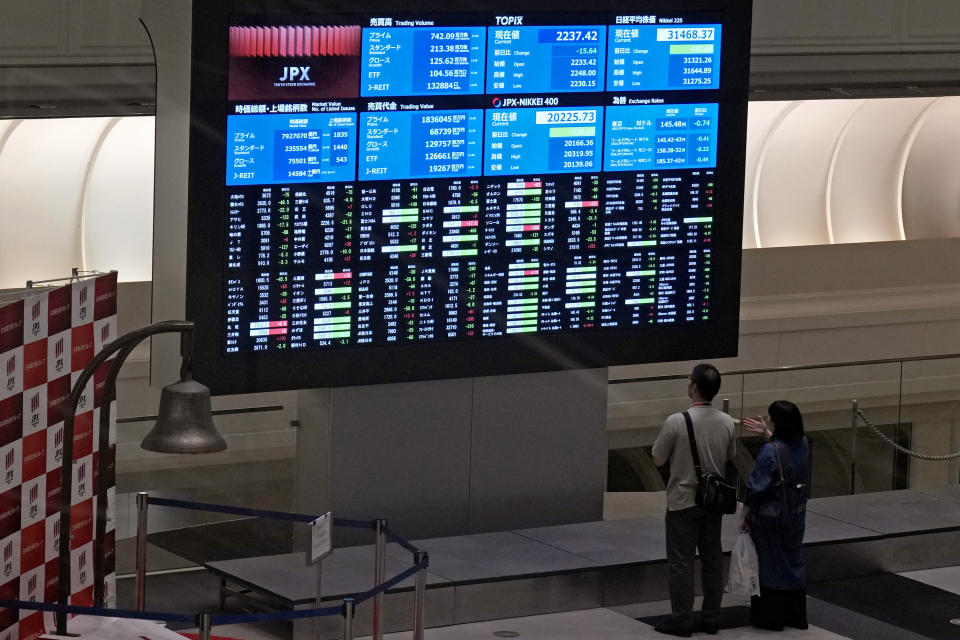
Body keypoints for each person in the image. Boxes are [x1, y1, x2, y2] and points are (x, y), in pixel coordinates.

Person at [651, 363, 736, 637]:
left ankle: (682, 620)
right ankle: (711, 618)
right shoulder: (726, 422)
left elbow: (658, 457)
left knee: (681, 563)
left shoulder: (677, 421)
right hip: (713, 503)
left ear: (694, 388)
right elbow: (729, 459)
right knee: (712, 561)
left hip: (683, 501)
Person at [742, 400, 811, 631]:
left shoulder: (769, 452)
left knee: (771, 565)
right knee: (793, 561)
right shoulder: (803, 443)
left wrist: (745, 513)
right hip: (796, 513)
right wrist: (768, 435)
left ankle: (771, 617)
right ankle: (795, 615)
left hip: (771, 518)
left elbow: (756, 487)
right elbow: (787, 454)